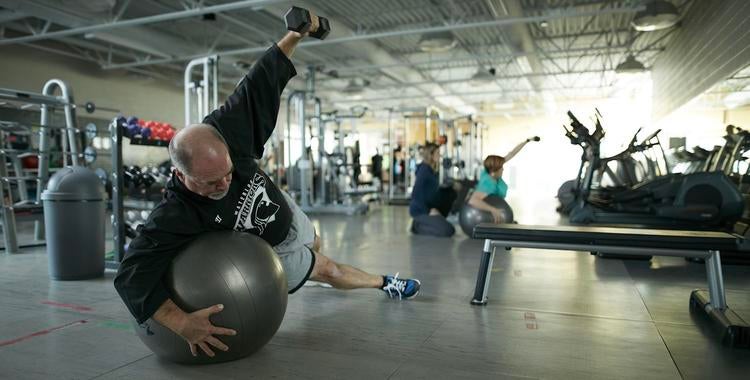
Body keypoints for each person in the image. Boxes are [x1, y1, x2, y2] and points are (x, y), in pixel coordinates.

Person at [114, 20, 420, 359]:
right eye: (212, 182)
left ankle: (310, 267)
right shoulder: (175, 214)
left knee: (314, 240)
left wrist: (296, 33)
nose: (224, 184)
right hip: (269, 255)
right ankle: (385, 282)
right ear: (181, 175)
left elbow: (260, 80)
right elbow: (131, 275)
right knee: (328, 268)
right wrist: (181, 322)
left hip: (283, 209)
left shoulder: (227, 128)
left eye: (228, 173)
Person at [468, 137, 539, 223]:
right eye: (501, 168)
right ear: (495, 170)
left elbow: (512, 153)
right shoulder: (488, 183)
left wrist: (527, 141)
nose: (503, 169)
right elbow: (473, 200)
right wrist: (492, 209)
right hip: (483, 217)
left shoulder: (491, 172)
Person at [409, 143, 456, 237]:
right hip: (421, 211)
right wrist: (429, 211)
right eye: (437, 153)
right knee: (448, 230)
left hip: (431, 207)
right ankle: (416, 225)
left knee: (450, 191)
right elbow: (416, 195)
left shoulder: (432, 171)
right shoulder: (424, 171)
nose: (440, 156)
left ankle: (432, 221)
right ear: (430, 155)